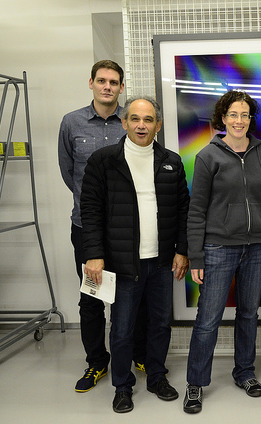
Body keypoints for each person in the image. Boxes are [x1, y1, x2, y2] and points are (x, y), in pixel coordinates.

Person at [81, 96, 190, 413]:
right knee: (122, 328)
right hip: (122, 262)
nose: (142, 125)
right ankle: (122, 386)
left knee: (160, 324)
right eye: (135, 119)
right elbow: (90, 211)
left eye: (148, 120)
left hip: (161, 261)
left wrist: (182, 251)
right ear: (124, 122)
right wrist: (94, 254)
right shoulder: (104, 161)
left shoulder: (171, 161)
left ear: (158, 125)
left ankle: (156, 377)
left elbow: (183, 210)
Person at [184, 90, 261, 414]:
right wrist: (196, 256)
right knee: (208, 318)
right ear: (223, 118)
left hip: (259, 247)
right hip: (219, 248)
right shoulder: (208, 156)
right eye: (233, 115)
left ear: (250, 119)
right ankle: (195, 383)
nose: (239, 121)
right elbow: (196, 211)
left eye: (245, 115)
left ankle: (244, 372)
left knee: (248, 314)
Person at [58, 60, 148, 393]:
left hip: (128, 228)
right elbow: (70, 173)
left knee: (133, 295)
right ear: (91, 83)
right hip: (86, 227)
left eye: (113, 82)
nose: (107, 86)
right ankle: (97, 362)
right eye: (101, 81)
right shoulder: (72, 123)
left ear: (121, 87)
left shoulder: (133, 120)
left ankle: (138, 354)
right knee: (92, 298)